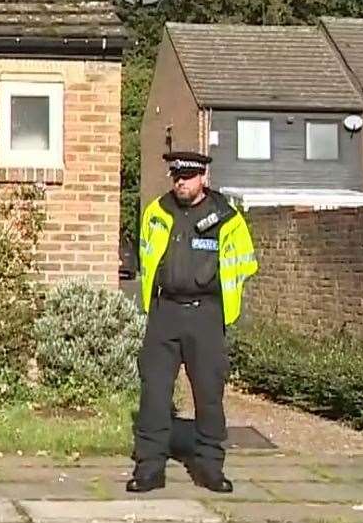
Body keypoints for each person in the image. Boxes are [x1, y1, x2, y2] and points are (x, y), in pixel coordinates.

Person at [128, 150, 258, 495]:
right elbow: (146, 254)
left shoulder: (226, 217)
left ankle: (210, 468)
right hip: (164, 312)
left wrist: (219, 288)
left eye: (187, 176)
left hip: (206, 315)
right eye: (176, 176)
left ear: (203, 177)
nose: (180, 182)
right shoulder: (157, 211)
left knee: (209, 395)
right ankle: (149, 469)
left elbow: (246, 263)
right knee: (154, 394)